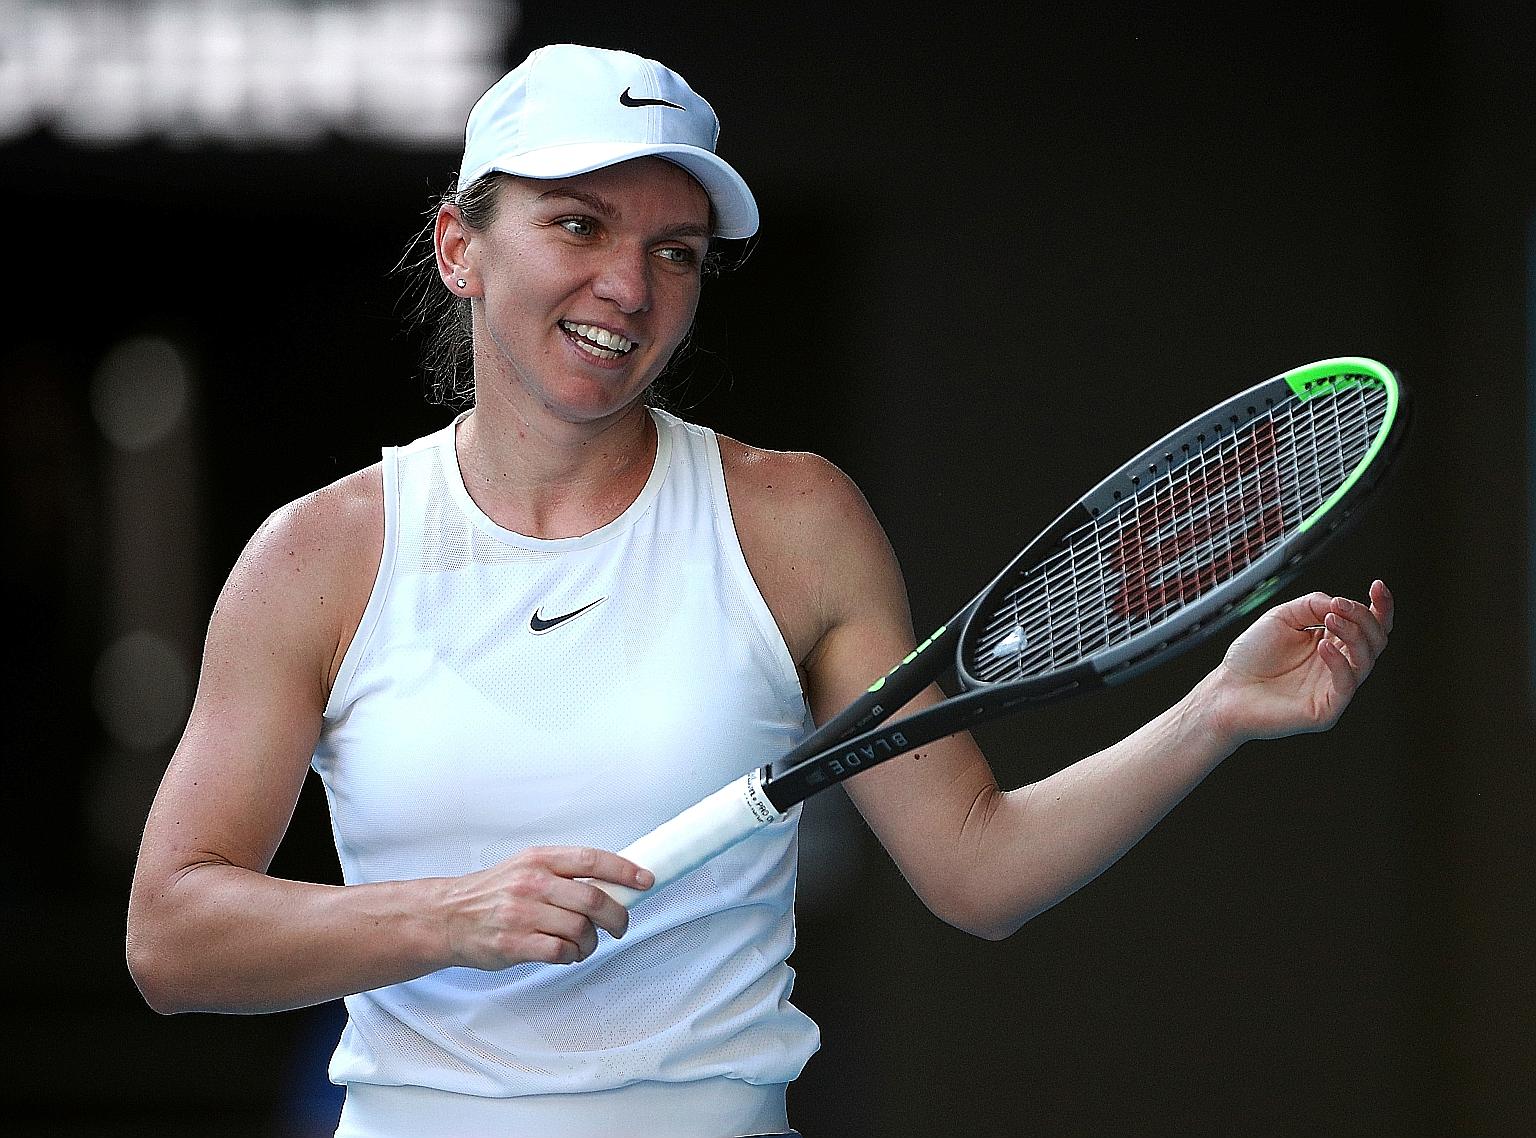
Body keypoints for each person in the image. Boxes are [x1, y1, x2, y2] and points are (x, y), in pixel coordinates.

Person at [125, 43, 1395, 1138]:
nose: (629, 286)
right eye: (578, 225)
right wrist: (453, 915)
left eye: (673, 250)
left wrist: (1215, 712)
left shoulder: (793, 521)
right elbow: (171, 938)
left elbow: (977, 867)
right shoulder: (320, 555)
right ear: (461, 245)